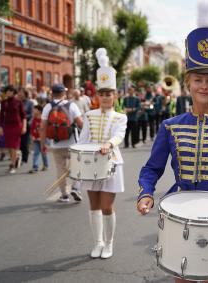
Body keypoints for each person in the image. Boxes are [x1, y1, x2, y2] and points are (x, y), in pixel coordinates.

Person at [136, 5, 208, 282]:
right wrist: (146, 192)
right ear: (188, 84)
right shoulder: (170, 127)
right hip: (179, 210)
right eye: (198, 79)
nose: (204, 86)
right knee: (183, 275)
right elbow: (152, 169)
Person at [78, 48, 127, 259]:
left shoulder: (120, 117)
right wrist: (77, 158)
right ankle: (97, 241)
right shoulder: (89, 115)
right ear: (98, 96)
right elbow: (82, 139)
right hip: (90, 164)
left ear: (115, 95)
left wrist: (108, 143)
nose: (106, 97)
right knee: (93, 205)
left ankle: (109, 243)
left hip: (111, 163)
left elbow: (119, 136)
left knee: (107, 206)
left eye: (110, 94)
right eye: (103, 94)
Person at [40, 84, 83, 202]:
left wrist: (43, 144)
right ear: (64, 93)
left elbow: (42, 127)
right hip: (73, 144)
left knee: (60, 169)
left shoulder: (48, 107)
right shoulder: (72, 105)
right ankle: (76, 188)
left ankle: (64, 195)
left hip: (56, 144)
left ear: (52, 94)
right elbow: (80, 124)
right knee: (79, 166)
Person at [0, 85, 26, 173]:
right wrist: (0, 127)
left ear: (13, 92)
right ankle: (16, 157)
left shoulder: (18, 102)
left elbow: (23, 116)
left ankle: (12, 165)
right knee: (9, 146)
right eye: (7, 91)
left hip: (17, 126)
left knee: (13, 146)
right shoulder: (3, 102)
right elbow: (1, 116)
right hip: (7, 126)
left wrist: (24, 127)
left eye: (10, 91)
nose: (8, 93)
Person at [28, 105, 49, 173]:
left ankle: (45, 165)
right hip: (36, 139)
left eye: (35, 109)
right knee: (36, 153)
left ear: (39, 111)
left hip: (43, 139)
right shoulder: (34, 118)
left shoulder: (43, 119)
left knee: (43, 152)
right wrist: (32, 136)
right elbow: (32, 128)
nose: (33, 110)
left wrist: (43, 137)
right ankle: (35, 167)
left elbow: (46, 129)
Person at [18, 88, 35, 165]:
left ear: (25, 94)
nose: (19, 94)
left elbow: (31, 114)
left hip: (26, 124)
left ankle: (24, 158)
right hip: (17, 124)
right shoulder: (17, 102)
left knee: (24, 142)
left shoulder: (30, 103)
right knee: (18, 142)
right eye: (19, 92)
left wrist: (22, 117)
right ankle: (18, 157)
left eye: (21, 92)